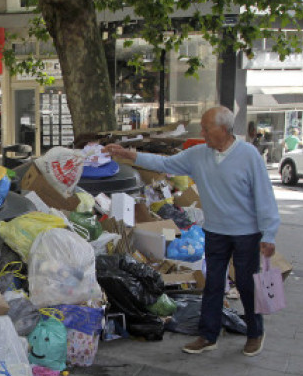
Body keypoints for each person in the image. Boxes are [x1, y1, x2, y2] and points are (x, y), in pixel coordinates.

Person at [104, 105, 279, 357]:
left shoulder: (248, 155)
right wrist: (129, 155)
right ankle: (208, 335)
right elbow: (165, 163)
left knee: (246, 283)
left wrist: (269, 233)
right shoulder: (199, 154)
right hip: (215, 231)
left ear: (224, 129)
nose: (203, 133)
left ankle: (255, 333)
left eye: (207, 128)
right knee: (213, 284)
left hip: (245, 233)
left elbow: (265, 196)